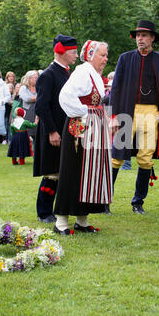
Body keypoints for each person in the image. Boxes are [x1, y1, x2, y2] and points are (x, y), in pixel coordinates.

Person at [109, 19, 159, 214]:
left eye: (144, 35)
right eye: (138, 35)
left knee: (146, 159)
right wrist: (113, 115)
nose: (140, 39)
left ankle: (138, 202)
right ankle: (104, 200)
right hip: (126, 111)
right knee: (116, 157)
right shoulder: (124, 58)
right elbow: (115, 89)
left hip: (151, 113)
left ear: (152, 38)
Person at [53, 39, 113, 235]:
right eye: (102, 55)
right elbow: (65, 96)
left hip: (93, 126)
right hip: (80, 128)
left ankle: (82, 219)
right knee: (73, 170)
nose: (105, 59)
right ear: (90, 55)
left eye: (106, 55)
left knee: (89, 173)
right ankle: (61, 221)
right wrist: (84, 113)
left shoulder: (93, 73)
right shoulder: (82, 72)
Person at [33, 34, 78, 223]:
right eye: (73, 52)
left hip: (65, 130)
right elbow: (41, 107)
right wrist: (52, 131)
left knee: (61, 172)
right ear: (62, 51)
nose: (76, 55)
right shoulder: (48, 75)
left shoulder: (67, 74)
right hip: (52, 132)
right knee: (52, 174)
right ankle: (44, 212)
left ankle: (57, 209)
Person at [0, 69, 11, 144]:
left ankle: (4, 139)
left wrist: (2, 101)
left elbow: (8, 96)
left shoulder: (3, 84)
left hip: (0, 107)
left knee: (1, 123)